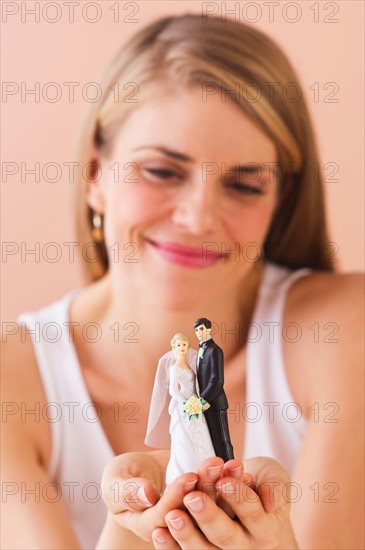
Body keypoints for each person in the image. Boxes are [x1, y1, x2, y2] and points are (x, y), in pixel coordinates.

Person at [1, 12, 364, 550]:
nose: (197, 218)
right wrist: (125, 533)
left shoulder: (346, 330)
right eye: (162, 171)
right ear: (96, 175)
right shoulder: (14, 384)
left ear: (279, 201)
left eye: (243, 184)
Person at [145, 332, 215, 487]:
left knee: (200, 434)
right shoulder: (175, 369)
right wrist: (186, 403)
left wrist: (196, 401)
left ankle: (203, 466)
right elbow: (173, 391)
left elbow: (194, 386)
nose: (182, 347)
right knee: (183, 437)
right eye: (178, 345)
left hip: (194, 404)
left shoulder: (190, 365)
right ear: (174, 348)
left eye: (184, 345)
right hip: (183, 406)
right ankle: (184, 469)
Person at [193, 318, 234, 461]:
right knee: (211, 441)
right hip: (204, 404)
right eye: (197, 330)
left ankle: (229, 466)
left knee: (222, 440)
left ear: (209, 330)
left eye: (202, 329)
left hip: (215, 402)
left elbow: (216, 380)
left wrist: (202, 399)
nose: (199, 333)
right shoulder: (200, 350)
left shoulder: (215, 350)